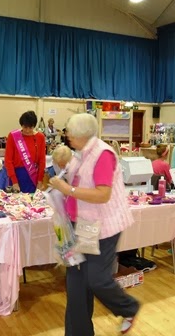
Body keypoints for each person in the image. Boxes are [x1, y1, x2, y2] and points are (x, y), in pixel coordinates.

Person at [49, 113, 140, 336]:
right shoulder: (79, 153)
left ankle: (128, 307)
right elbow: (76, 181)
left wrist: (67, 189)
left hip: (103, 227)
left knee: (97, 279)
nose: (67, 135)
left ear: (82, 134)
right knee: (76, 285)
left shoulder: (103, 155)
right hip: (80, 225)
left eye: (70, 132)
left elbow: (102, 194)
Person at [4, 111, 46, 193]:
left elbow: (42, 160)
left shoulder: (40, 137)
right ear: (21, 125)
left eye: (30, 128)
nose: (27, 130)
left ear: (34, 126)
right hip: (17, 175)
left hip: (33, 176)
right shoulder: (13, 136)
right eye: (25, 127)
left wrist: (40, 180)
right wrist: (14, 181)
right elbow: (8, 160)